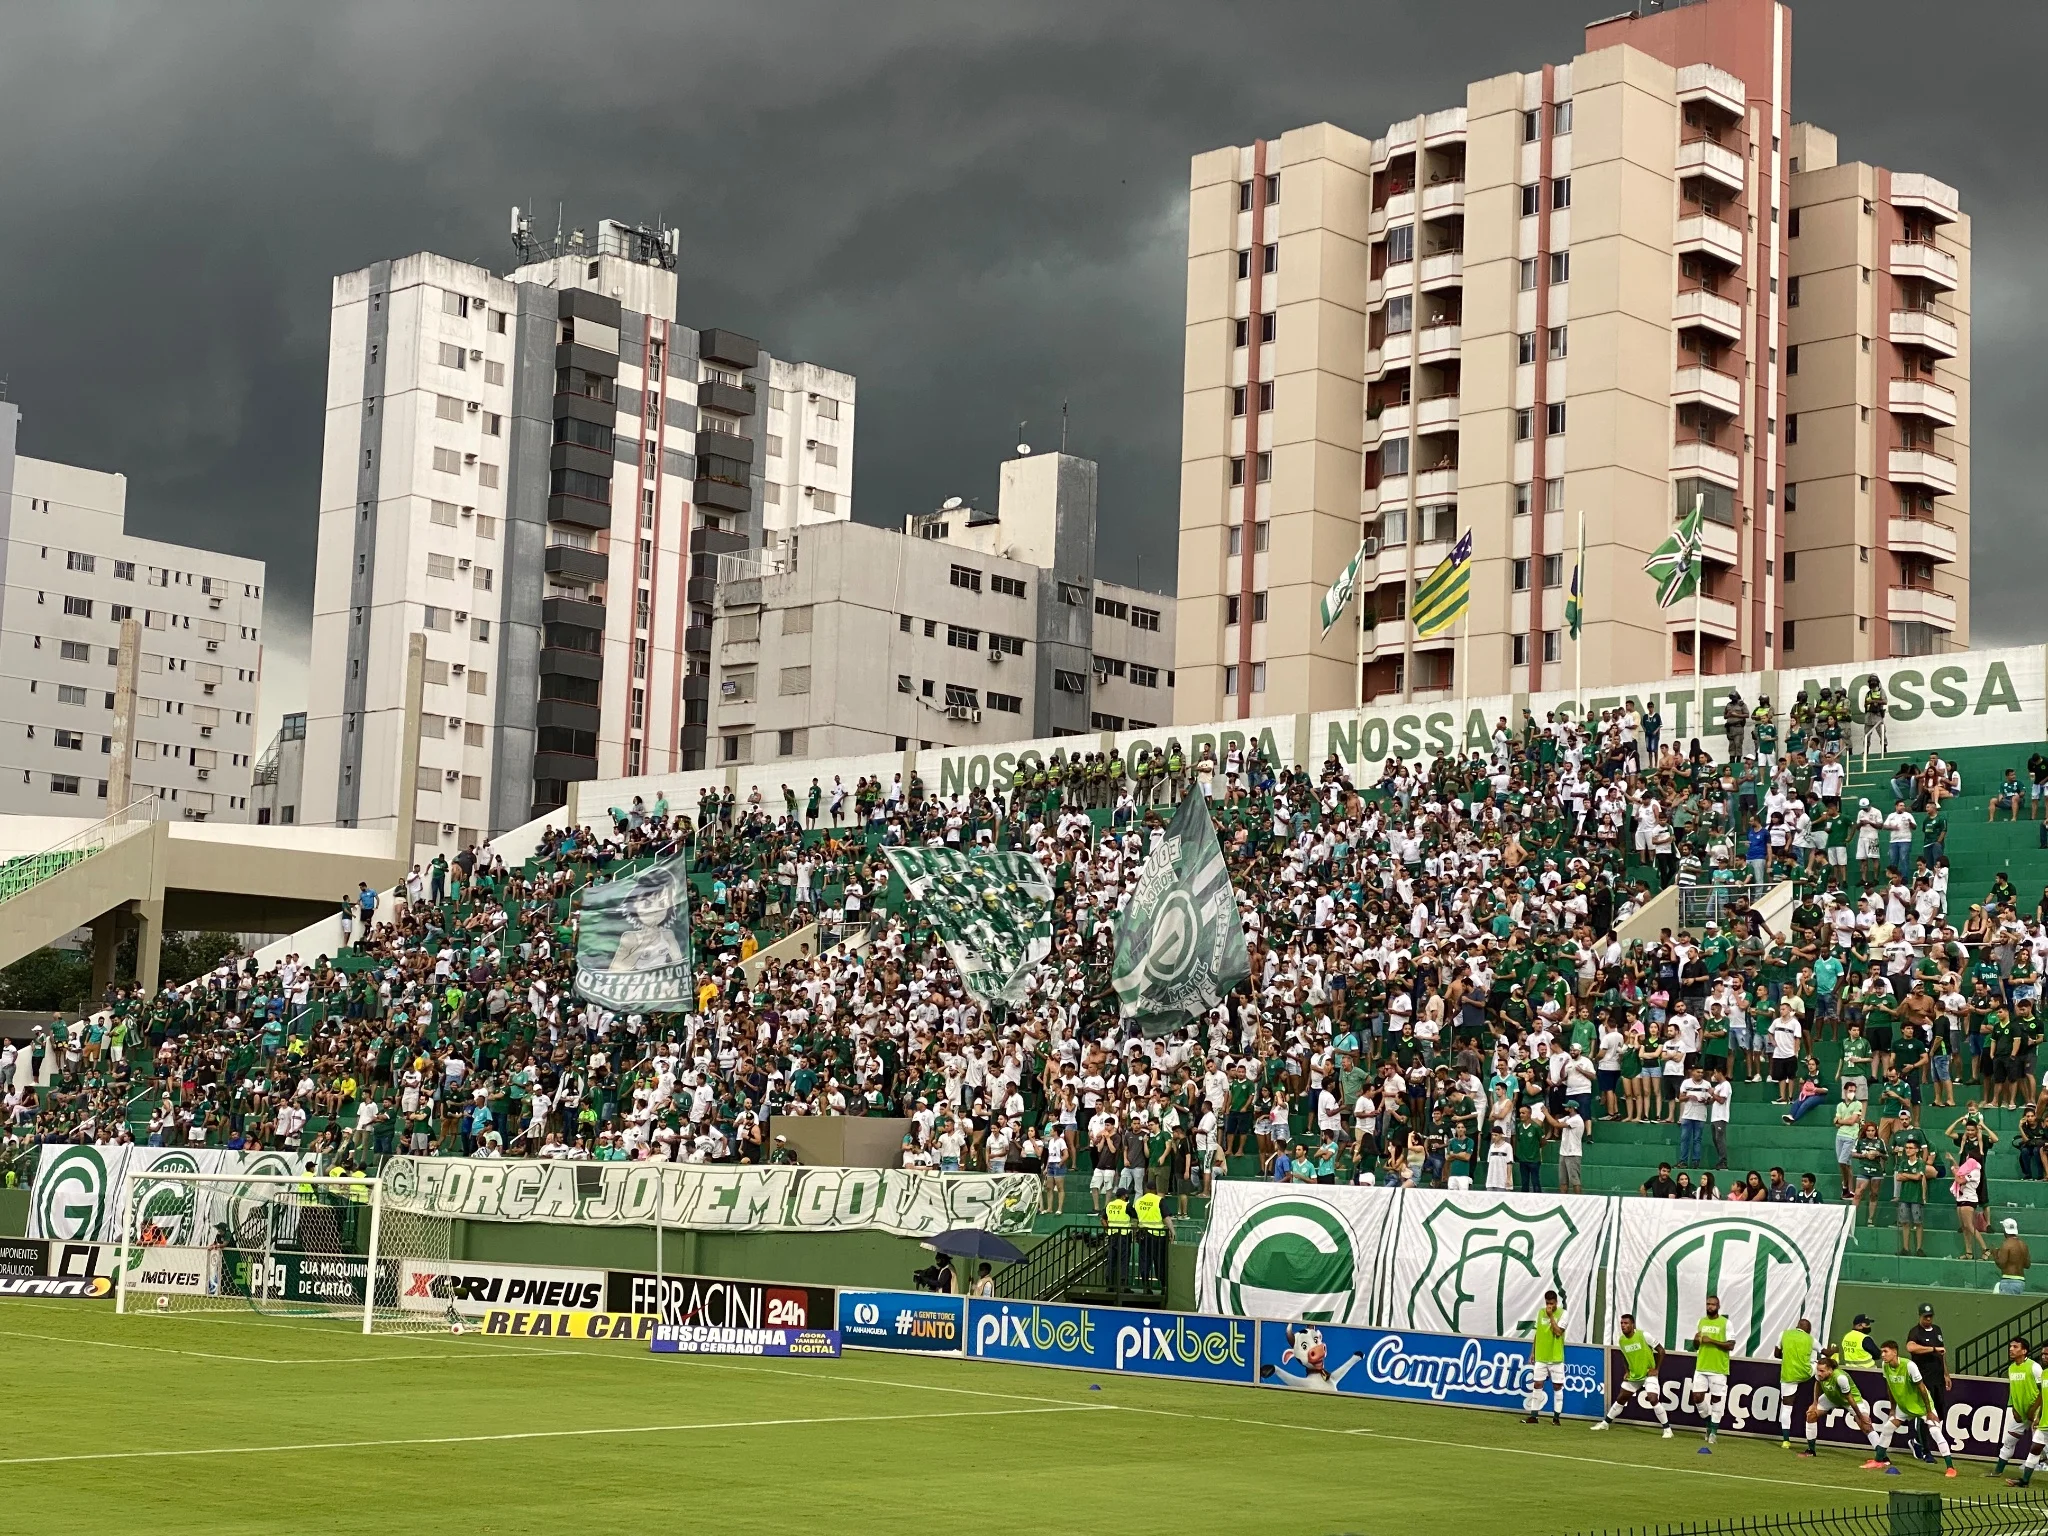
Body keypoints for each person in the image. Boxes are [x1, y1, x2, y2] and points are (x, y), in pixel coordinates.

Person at [1878, 1340, 1957, 1475]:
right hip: (1904, 1407)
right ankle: (1878, 1460)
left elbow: (1922, 1389)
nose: (1882, 1355)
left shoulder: (1909, 1366)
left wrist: (1929, 1411)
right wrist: (1892, 1409)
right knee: (1887, 1428)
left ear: (1895, 1352)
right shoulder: (1885, 1366)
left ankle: (1950, 1468)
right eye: (1881, 1352)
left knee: (1935, 1432)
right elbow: (1890, 1387)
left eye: (1885, 1351)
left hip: (1922, 1407)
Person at [1800, 1346, 1888, 1467]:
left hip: (1850, 1400)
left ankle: (1883, 1457)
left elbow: (1849, 1398)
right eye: (1818, 1370)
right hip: (1831, 1398)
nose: (1819, 1373)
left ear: (1830, 1370)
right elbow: (1817, 1384)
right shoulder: (1820, 1375)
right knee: (1811, 1414)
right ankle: (1811, 1451)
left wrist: (1860, 1416)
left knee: (1866, 1426)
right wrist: (1814, 1403)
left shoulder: (1840, 1378)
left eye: (1822, 1371)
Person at [1594, 1313, 1671, 1437]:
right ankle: (1606, 1423)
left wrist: (1656, 1369)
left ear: (1632, 1325)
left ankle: (1667, 1429)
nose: (1623, 1326)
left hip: (1648, 1375)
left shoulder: (1644, 1335)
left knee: (1652, 1398)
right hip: (1635, 1376)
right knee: (1621, 1398)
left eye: (1626, 1323)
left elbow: (1661, 1351)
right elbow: (1625, 1357)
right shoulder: (1622, 1340)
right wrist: (1627, 1371)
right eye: (1622, 1323)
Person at [1994, 1336, 2048, 1486]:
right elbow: (2014, 1391)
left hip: (2036, 1412)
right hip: (2026, 1413)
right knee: (2013, 1441)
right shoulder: (2011, 1369)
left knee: (2038, 1446)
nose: (2011, 1349)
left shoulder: (2034, 1367)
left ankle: (2035, 1468)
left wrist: (2035, 1410)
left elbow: (2041, 1393)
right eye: (2010, 1346)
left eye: (2015, 1347)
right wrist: (2014, 1408)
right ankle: (2000, 1471)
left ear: (2024, 1351)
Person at [1691, 1293, 1733, 1453]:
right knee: (1697, 1397)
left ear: (1718, 1306)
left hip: (1718, 1368)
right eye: (1708, 1304)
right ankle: (1709, 1421)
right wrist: (1696, 1341)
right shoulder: (1701, 1322)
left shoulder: (1725, 1323)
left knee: (1716, 1400)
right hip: (1701, 1366)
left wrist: (1712, 1341)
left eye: (1713, 1304)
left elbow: (1731, 1345)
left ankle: (1713, 1432)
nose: (1710, 1307)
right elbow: (1697, 1346)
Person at [1522, 1288, 1570, 1426]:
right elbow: (1538, 1333)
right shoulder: (1540, 1312)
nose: (1550, 1306)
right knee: (1537, 1384)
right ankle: (1534, 1416)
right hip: (1541, 1356)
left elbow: (1558, 1332)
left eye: (1552, 1303)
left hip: (1555, 1357)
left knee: (1557, 1386)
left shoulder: (1563, 1314)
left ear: (1556, 1302)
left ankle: (1556, 1418)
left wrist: (1551, 1317)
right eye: (1548, 1303)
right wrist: (1533, 1352)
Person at [1775, 1316, 1816, 1449]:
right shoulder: (1810, 1339)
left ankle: (1786, 1440)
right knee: (1820, 1367)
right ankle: (1822, 1384)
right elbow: (1825, 1352)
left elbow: (1776, 1354)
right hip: (1806, 1373)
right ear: (1808, 1330)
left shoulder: (1784, 1334)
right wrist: (1833, 1352)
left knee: (1786, 1407)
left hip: (1789, 1375)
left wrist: (1788, 1356)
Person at [1906, 1304, 1950, 1422]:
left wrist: (1946, 1374)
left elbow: (1942, 1352)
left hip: (1938, 1378)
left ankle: (1938, 1434)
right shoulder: (1915, 1332)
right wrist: (1932, 1349)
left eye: (1930, 1316)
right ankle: (1921, 1438)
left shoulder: (1937, 1330)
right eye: (1926, 1317)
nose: (1928, 1319)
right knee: (1926, 1410)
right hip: (1924, 1377)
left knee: (1940, 1408)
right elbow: (1910, 1347)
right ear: (1920, 1316)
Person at [1994, 1218, 2034, 1295]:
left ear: (2005, 1230)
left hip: (2008, 1281)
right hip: (2021, 1281)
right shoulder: (2023, 1245)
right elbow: (2027, 1265)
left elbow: (2001, 1264)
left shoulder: (2006, 1244)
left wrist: (1995, 1254)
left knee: (2007, 1306)